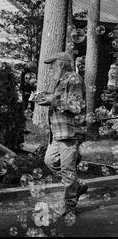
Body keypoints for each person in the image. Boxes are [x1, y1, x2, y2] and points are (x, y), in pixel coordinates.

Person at [35, 52, 88, 215]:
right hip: (57, 133)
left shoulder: (74, 79)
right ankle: (77, 186)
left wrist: (53, 100)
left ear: (63, 64)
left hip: (69, 133)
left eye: (53, 66)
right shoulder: (61, 81)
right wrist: (46, 99)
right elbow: (60, 102)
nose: (51, 70)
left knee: (67, 170)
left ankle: (70, 206)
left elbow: (77, 106)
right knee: (50, 160)